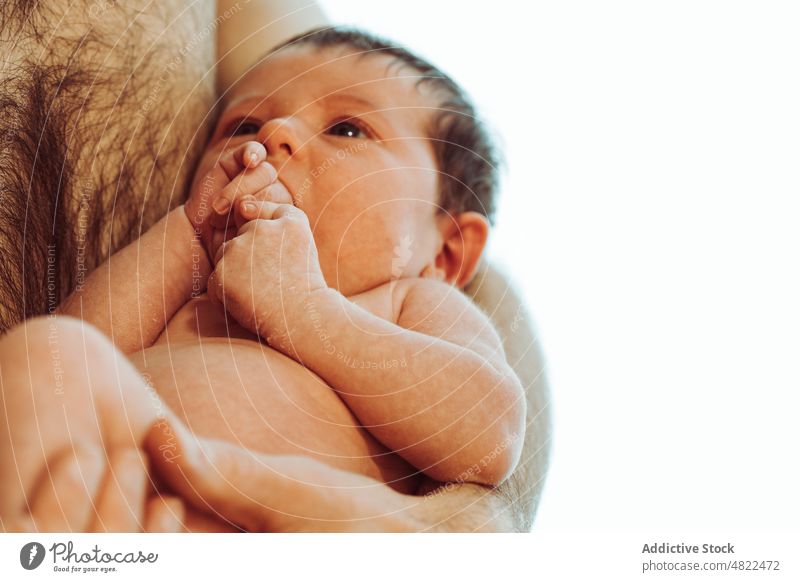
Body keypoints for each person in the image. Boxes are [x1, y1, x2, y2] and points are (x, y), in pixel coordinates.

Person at [0, 0, 550, 531]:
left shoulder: (407, 302)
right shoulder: (189, 292)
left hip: (289, 530)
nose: (274, 135)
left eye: (347, 129)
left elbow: (489, 433)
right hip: (106, 516)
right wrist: (188, 233)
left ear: (446, 251)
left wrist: (303, 309)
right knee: (38, 351)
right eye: (241, 125)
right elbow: (67, 351)